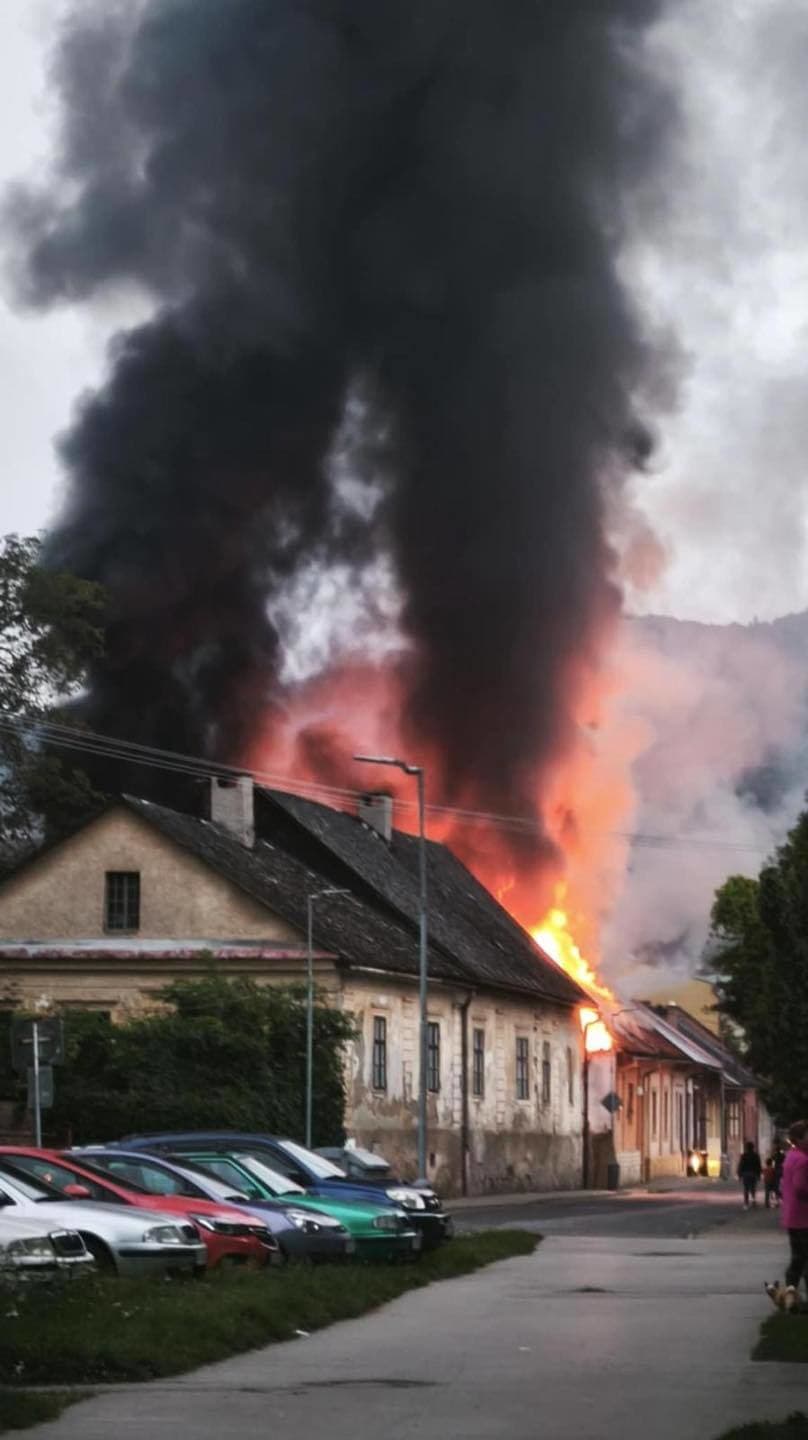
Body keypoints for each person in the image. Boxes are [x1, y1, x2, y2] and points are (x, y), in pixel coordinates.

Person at [779, 1121, 808, 1307]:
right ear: (799, 1139)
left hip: (792, 1216)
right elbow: (800, 1188)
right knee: (804, 1259)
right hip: (804, 1217)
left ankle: (790, 1295)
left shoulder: (791, 1156)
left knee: (797, 1258)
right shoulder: (803, 1160)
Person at [737, 1140, 762, 1208]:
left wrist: (739, 1175)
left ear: (747, 1148)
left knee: (746, 1189)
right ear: (753, 1148)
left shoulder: (744, 1155)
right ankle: (753, 1201)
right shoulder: (756, 1155)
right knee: (753, 1188)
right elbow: (758, 1166)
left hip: (746, 1174)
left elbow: (741, 1165)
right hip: (753, 1174)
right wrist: (759, 1175)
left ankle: (746, 1203)